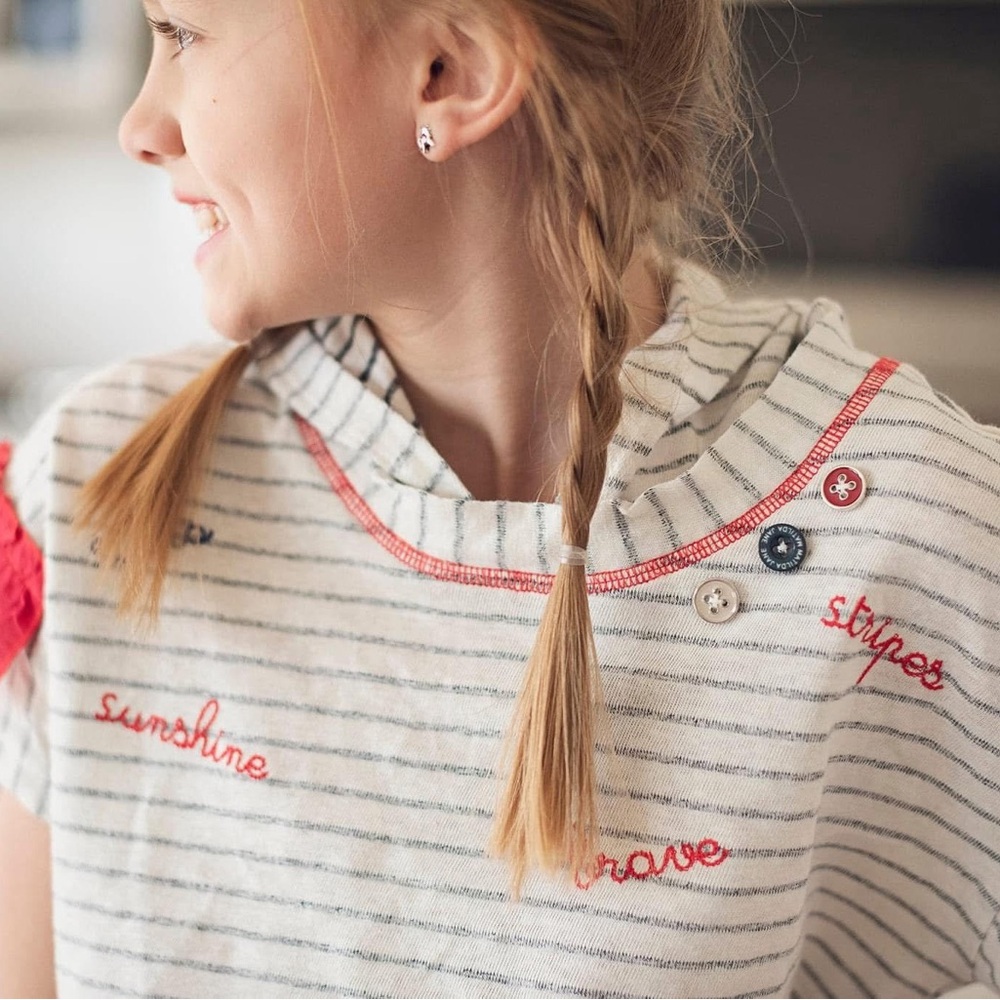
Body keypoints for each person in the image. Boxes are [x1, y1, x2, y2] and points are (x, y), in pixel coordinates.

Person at [1, 0, 998, 997]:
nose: (142, 126)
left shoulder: (922, 540)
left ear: (450, 71)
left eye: (181, 33)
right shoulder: (94, 486)